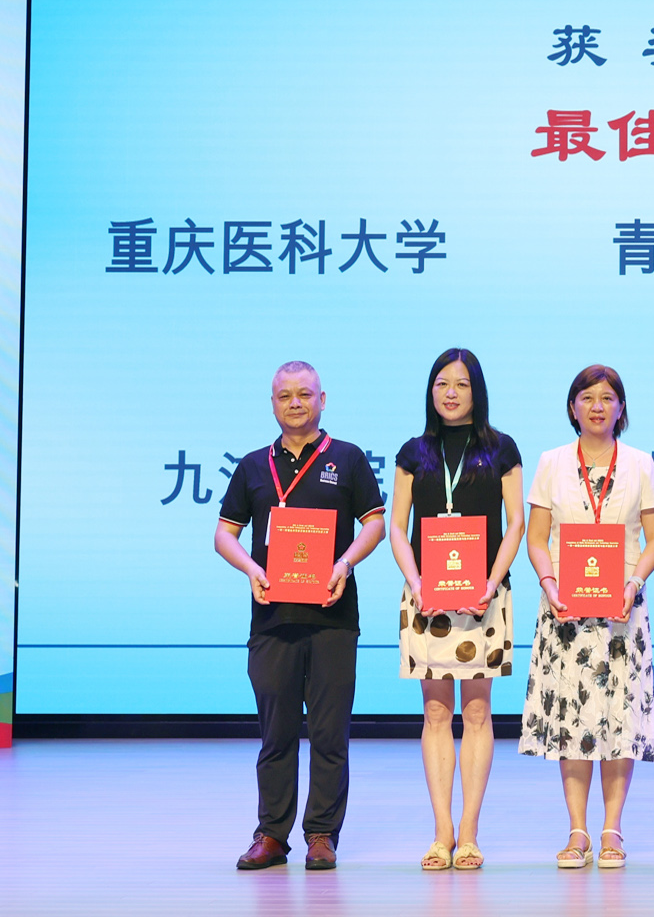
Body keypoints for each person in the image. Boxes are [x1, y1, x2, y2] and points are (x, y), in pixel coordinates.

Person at [215, 361, 386, 871]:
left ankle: (322, 835)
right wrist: (251, 568)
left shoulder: (348, 458)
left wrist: (344, 564)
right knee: (277, 734)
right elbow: (224, 534)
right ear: (272, 403)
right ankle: (271, 835)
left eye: (305, 394)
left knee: (330, 734)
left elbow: (374, 524)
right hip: (272, 619)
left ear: (322, 400)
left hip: (334, 617)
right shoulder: (252, 466)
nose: (295, 402)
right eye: (285, 395)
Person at [519, 364, 654, 870]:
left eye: (607, 397)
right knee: (572, 718)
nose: (597, 406)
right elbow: (538, 538)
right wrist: (549, 583)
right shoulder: (552, 462)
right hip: (566, 609)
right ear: (572, 407)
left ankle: (612, 829)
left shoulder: (640, 464)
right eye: (587, 397)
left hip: (622, 611)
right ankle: (578, 829)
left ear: (621, 408)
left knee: (620, 719)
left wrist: (634, 582)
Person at [388, 349, 524, 872]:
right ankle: (441, 830)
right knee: (436, 713)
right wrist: (416, 581)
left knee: (478, 712)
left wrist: (491, 581)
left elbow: (515, 523)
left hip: (484, 597)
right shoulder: (413, 451)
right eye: (442, 383)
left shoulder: (500, 448)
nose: (450, 393)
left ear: (477, 391)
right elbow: (398, 527)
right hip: (428, 599)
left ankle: (469, 831)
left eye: (462, 384)